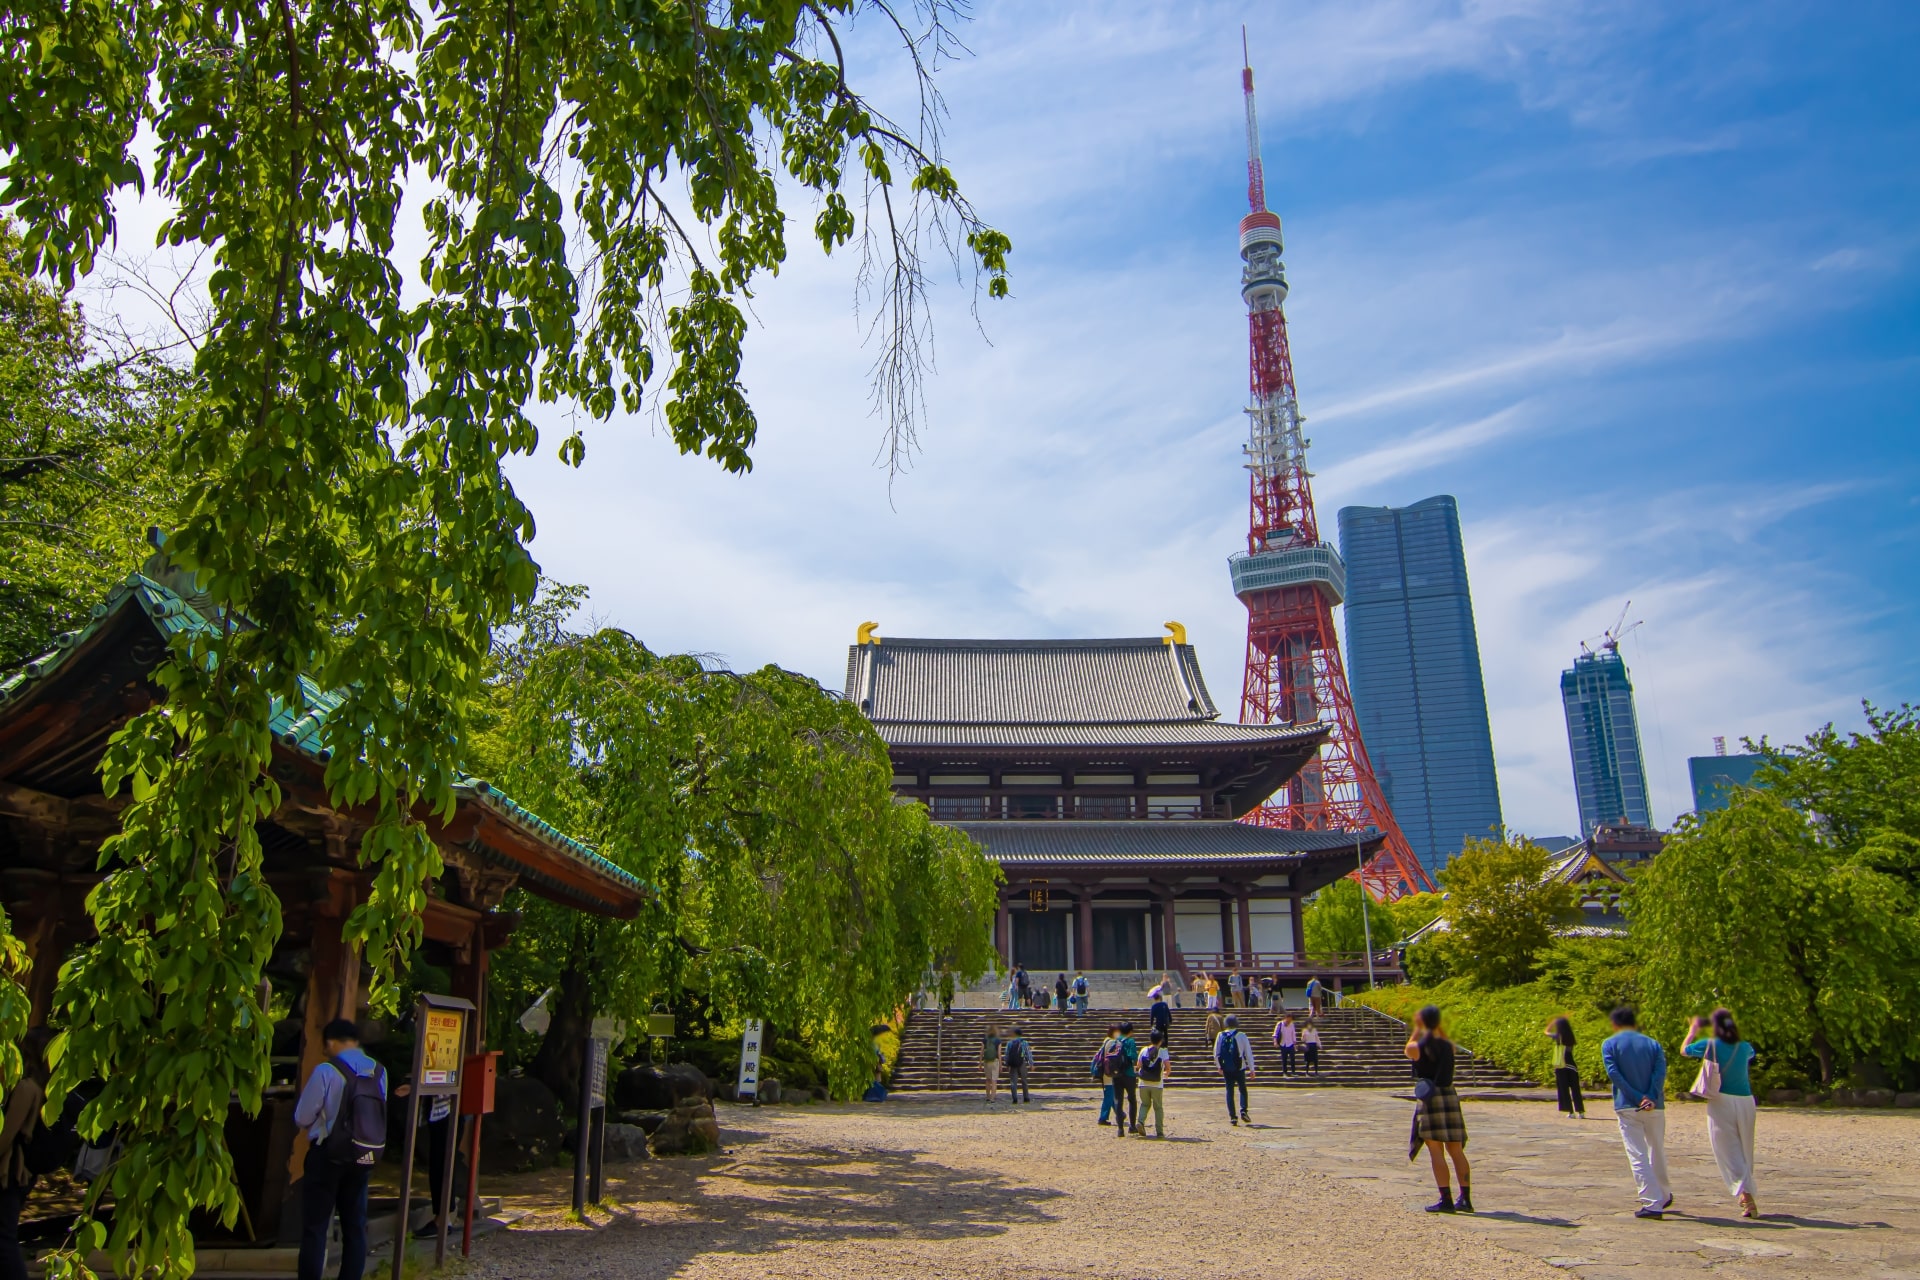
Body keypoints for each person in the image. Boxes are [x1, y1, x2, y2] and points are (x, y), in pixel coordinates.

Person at [294, 1018, 388, 1280]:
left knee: (315, 1227)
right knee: (355, 1226)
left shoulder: (327, 1070)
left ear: (331, 1042)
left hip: (327, 1154)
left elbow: (302, 1117)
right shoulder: (379, 1071)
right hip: (362, 1153)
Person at [1684, 1008, 1760, 1218]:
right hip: (1746, 1100)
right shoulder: (1744, 1046)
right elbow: (1751, 1055)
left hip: (1721, 1100)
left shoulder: (1710, 1044)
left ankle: (1746, 1196)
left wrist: (1692, 1030)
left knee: (1728, 1150)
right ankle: (1746, 1192)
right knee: (1745, 1148)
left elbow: (1685, 1050)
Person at [1602, 1007, 1671, 1219]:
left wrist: (1637, 1097)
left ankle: (1651, 1202)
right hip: (1655, 1104)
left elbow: (1615, 1074)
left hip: (1628, 1105)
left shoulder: (1610, 1044)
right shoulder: (1652, 1043)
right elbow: (1660, 1072)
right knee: (1656, 1149)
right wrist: (1650, 1095)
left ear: (1614, 1024)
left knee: (1637, 1154)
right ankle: (1663, 1193)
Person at [1404, 1005, 1471, 1214]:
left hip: (1430, 1097)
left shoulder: (1417, 1046)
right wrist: (1437, 1026)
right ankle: (1466, 1198)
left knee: (1436, 1150)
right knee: (1456, 1150)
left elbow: (1408, 1047)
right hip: (1449, 1094)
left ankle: (1446, 1199)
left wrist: (1417, 1027)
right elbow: (1447, 1041)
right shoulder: (1448, 1045)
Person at [0, 1029, 51, 1280]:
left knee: (4, 1236)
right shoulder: (45, 1087)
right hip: (22, 1173)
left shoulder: (26, 1088)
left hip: (9, 1171)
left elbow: (7, 1135)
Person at [1214, 1013, 1256, 1126]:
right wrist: (1252, 1068)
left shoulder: (1220, 1035)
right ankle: (1243, 1111)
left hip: (1226, 1068)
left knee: (1229, 1091)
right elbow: (1248, 1053)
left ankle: (1233, 1116)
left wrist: (1219, 1066)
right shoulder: (1241, 1035)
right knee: (1242, 1089)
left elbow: (1216, 1052)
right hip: (1240, 1067)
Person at [1106, 1022, 1141, 1136]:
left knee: (1118, 1100)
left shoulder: (1116, 1041)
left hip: (1117, 1074)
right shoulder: (1130, 1041)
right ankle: (1132, 1126)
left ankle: (1120, 1129)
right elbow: (1133, 1056)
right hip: (1129, 1074)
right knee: (1132, 1099)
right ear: (1130, 1031)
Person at [1546, 1017, 1585, 1119]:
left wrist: (1552, 1022)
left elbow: (1546, 1032)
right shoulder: (1571, 1037)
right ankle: (1580, 1111)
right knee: (1575, 1088)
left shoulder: (1558, 1036)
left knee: (1564, 1089)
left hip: (1560, 1063)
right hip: (1571, 1064)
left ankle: (1570, 1112)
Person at [1137, 1030, 1172, 1138]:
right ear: (1160, 1040)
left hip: (1143, 1083)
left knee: (1145, 1104)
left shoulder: (1143, 1050)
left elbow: (1138, 1065)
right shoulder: (1162, 1051)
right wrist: (1166, 1073)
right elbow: (1168, 1067)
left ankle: (1141, 1122)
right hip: (1157, 1084)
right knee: (1158, 1107)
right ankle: (1159, 1131)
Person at [1095, 1022, 1121, 1125]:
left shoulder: (1106, 1041)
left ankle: (1120, 1113)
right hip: (1109, 1073)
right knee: (1109, 1095)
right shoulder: (1111, 1043)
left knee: (1112, 1094)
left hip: (1106, 1072)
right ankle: (1103, 1117)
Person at [1002, 1027, 1033, 1104]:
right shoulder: (1024, 1042)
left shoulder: (1009, 1043)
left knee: (1013, 1082)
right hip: (1022, 1062)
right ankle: (1026, 1097)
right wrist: (1031, 1064)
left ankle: (1015, 1098)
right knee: (1024, 1081)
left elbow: (1006, 1054)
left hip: (1013, 1064)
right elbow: (1028, 1053)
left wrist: (1007, 1064)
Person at [981, 1023, 1004, 1103]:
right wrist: (1001, 1065)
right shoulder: (998, 1041)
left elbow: (981, 1052)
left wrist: (980, 1063)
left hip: (986, 1061)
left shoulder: (985, 1039)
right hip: (995, 1061)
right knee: (994, 1080)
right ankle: (992, 1098)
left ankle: (987, 1096)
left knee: (988, 1080)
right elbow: (999, 1054)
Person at [1274, 1012, 1298, 1077]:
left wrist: (1295, 1043)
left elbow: (1293, 1034)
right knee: (1284, 1059)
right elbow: (1276, 1034)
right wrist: (1275, 1042)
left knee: (1292, 1058)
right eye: (1288, 1019)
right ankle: (1284, 1072)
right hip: (1283, 1044)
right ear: (1286, 1018)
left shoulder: (1292, 1025)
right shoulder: (1280, 1024)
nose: (1289, 1021)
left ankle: (1293, 1071)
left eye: (1290, 1020)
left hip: (1290, 1044)